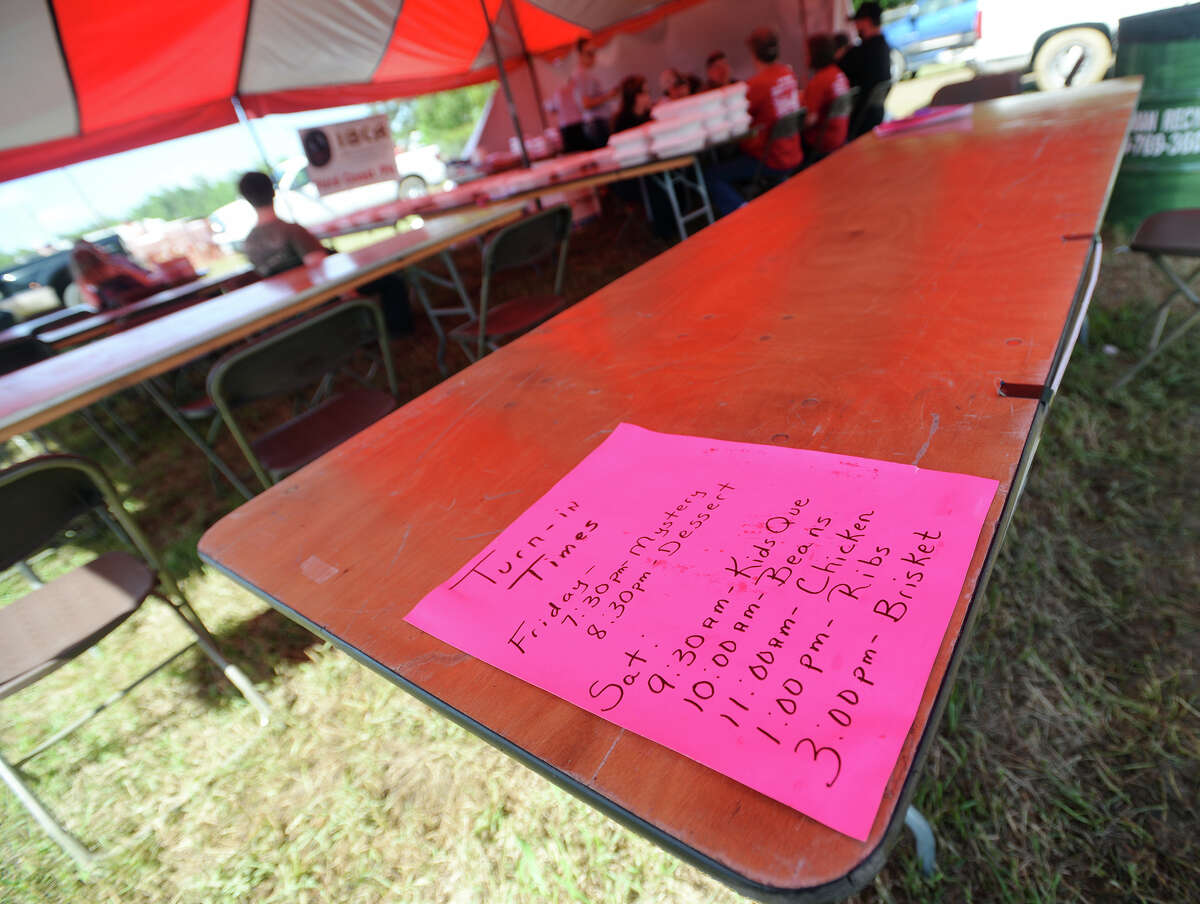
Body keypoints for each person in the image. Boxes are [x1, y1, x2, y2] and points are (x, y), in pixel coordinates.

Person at [703, 26, 804, 217]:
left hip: (770, 157)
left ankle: (745, 214)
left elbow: (733, 118)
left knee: (711, 175)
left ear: (752, 53)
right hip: (793, 152)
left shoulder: (756, 85)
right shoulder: (787, 73)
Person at [238, 171, 327, 277]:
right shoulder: (295, 231)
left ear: (246, 199)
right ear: (273, 191)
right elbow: (321, 271)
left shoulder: (249, 243)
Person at [839, 2, 892, 139]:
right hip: (875, 115)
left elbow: (840, 67)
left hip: (859, 122)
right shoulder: (884, 46)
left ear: (866, 22)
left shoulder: (865, 52)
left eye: (857, 22)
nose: (855, 27)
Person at [556, 37, 619, 152]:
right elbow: (586, 103)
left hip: (596, 123)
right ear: (580, 55)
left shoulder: (584, 74)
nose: (593, 57)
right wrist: (609, 96)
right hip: (597, 124)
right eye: (589, 53)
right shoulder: (582, 75)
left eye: (594, 52)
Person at [69, 240, 168, 311]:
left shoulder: (85, 281)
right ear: (96, 253)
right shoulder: (117, 267)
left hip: (124, 317)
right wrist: (161, 271)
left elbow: (96, 305)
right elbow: (149, 282)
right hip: (149, 305)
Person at [802, 34, 852, 159]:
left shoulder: (819, 80)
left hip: (823, 142)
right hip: (841, 136)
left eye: (807, 53)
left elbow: (810, 120)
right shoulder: (839, 74)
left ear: (815, 55)